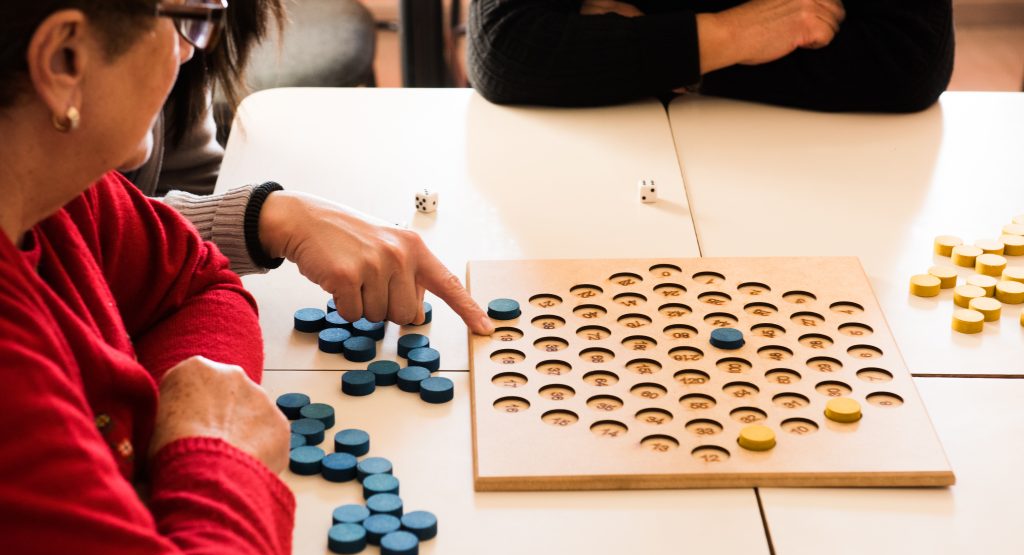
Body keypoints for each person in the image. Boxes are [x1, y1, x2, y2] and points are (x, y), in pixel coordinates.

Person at [0, 3, 290, 555]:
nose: (193, 53)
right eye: (190, 19)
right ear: (64, 61)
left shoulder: (57, 189)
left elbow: (196, 283)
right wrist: (211, 448)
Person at [123, 0, 494, 332]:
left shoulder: (184, 33)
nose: (187, 51)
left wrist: (271, 217)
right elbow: (91, 236)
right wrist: (268, 219)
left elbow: (192, 180)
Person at [468, 0, 954, 113]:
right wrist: (735, 34)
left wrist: (654, 44)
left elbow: (909, 61)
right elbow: (507, 51)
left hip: (798, 172)